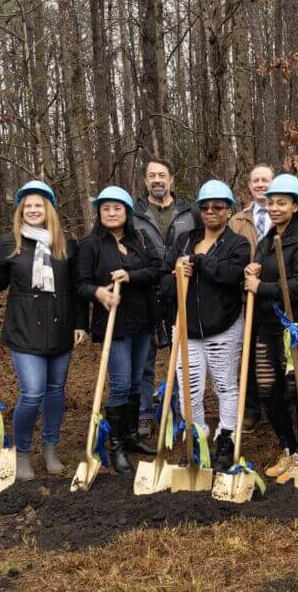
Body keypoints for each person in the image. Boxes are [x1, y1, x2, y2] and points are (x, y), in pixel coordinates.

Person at [0, 181, 87, 481]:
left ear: (48, 208)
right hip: (24, 328)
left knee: (55, 392)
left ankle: (50, 449)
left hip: (61, 326)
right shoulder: (10, 242)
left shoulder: (65, 243)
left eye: (39, 205)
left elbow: (75, 288)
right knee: (33, 392)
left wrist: (80, 323)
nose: (34, 210)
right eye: (28, 206)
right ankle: (22, 453)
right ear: (21, 209)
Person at [161, 180, 250, 471]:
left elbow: (229, 275)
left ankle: (226, 438)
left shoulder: (237, 243)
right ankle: (196, 438)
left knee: (225, 386)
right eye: (205, 207)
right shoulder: (184, 239)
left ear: (229, 211)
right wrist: (176, 273)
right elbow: (163, 282)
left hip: (223, 327)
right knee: (189, 390)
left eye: (218, 207)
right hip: (186, 328)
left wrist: (199, 261)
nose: (210, 211)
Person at [76, 186, 161, 473]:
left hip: (141, 321)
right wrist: (99, 292)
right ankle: (117, 446)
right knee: (122, 383)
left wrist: (131, 275)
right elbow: (80, 284)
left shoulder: (140, 239)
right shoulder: (90, 245)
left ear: (127, 212)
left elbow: (155, 271)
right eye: (106, 209)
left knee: (137, 381)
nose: (112, 213)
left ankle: (132, 436)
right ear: (99, 214)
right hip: (114, 325)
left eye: (117, 208)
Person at [243, 174, 298, 483]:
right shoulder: (266, 240)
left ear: (296, 205)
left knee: (297, 390)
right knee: (267, 390)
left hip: (296, 327)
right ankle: (287, 447)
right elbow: (256, 276)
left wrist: (261, 285)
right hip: (268, 325)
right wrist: (252, 270)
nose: (274, 208)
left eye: (282, 202)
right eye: (271, 202)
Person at [132, 158, 200, 438]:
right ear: (145, 181)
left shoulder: (189, 211)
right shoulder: (135, 214)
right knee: (145, 359)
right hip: (146, 290)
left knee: (183, 357)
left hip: (182, 289)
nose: (157, 180)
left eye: (162, 175)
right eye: (152, 176)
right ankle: (145, 414)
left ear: (171, 179)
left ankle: (182, 412)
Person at [229, 163, 275, 433]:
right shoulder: (237, 221)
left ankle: (285, 404)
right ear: (249, 186)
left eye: (265, 180)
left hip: (276, 295)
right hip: (246, 299)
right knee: (247, 355)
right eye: (256, 180)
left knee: (278, 354)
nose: (260, 184)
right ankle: (251, 408)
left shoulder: (288, 215)